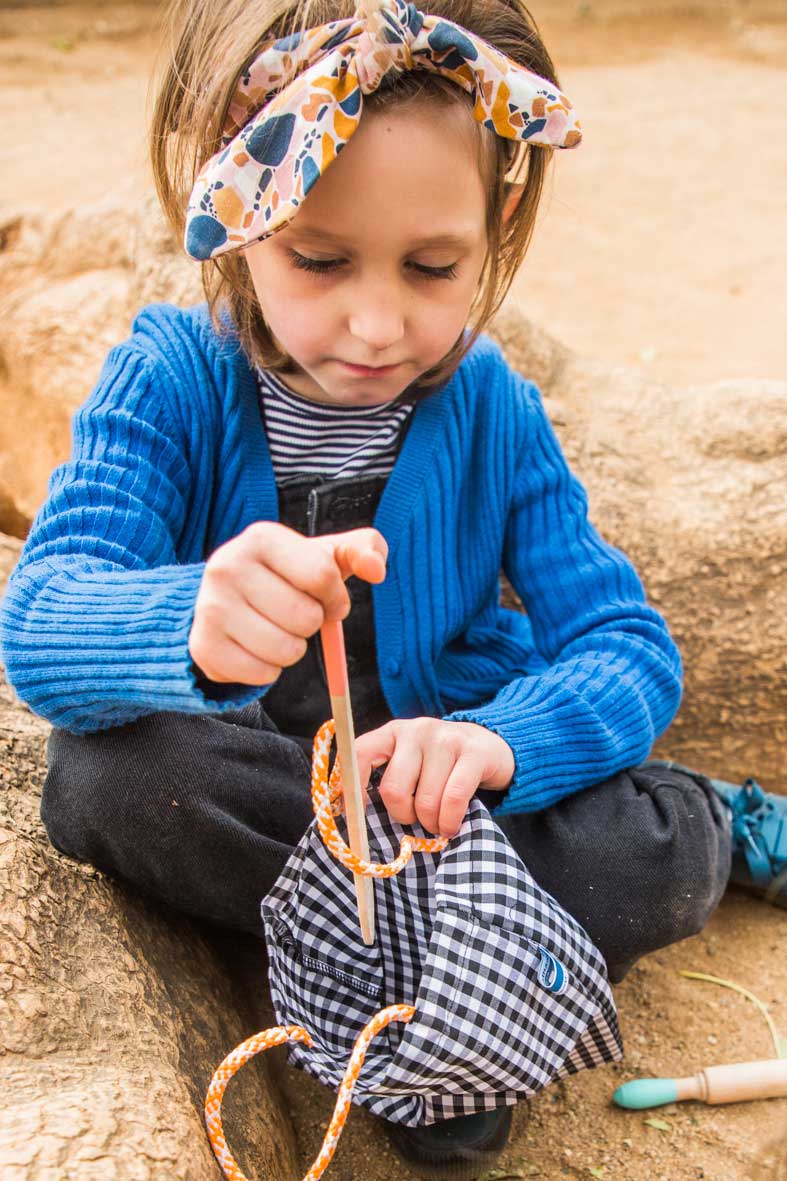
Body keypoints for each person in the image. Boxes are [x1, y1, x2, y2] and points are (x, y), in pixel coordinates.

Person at [0, 1, 784, 1177]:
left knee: (645, 850)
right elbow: (41, 619)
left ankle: (709, 830)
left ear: (497, 216)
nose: (376, 322)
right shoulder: (168, 379)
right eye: (317, 260)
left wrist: (492, 741)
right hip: (271, 789)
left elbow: (623, 645)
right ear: (235, 211)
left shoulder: (490, 404)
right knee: (111, 779)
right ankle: (440, 996)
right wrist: (191, 620)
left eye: (433, 266)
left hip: (452, 814)